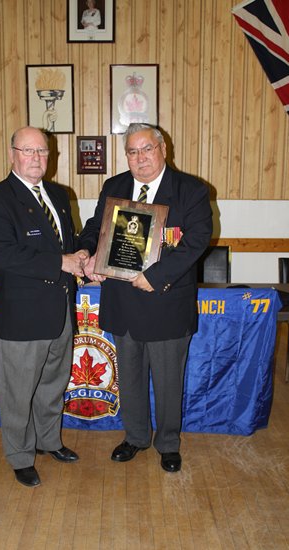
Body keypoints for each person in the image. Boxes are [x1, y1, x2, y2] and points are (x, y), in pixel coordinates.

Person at [78, 123, 212, 473]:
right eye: (133, 152)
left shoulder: (190, 190)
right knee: (131, 378)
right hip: (122, 302)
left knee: (169, 381)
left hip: (165, 302)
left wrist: (156, 277)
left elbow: (197, 240)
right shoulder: (114, 186)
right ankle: (135, 436)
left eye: (147, 149)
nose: (140, 158)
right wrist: (87, 252)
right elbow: (96, 227)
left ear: (163, 148)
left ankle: (168, 443)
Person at [0, 126, 88, 487]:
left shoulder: (58, 193)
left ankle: (48, 441)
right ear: (12, 154)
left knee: (53, 384)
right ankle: (20, 456)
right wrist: (63, 263)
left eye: (42, 151)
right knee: (18, 392)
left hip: (59, 311)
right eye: (28, 151)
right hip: (21, 316)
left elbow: (68, 244)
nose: (37, 158)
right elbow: (7, 255)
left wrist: (83, 262)